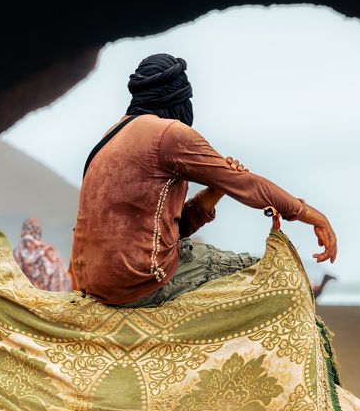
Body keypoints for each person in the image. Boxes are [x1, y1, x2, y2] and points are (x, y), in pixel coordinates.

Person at [71, 54, 337, 307]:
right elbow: (249, 186)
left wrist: (215, 191)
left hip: (93, 282)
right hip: (140, 281)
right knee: (280, 276)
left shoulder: (111, 135)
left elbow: (165, 231)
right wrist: (314, 216)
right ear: (180, 97)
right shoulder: (169, 133)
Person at [13, 218, 72, 292]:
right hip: (50, 300)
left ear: (23, 232)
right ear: (39, 232)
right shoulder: (50, 253)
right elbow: (62, 283)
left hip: (23, 300)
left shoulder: (16, 253)